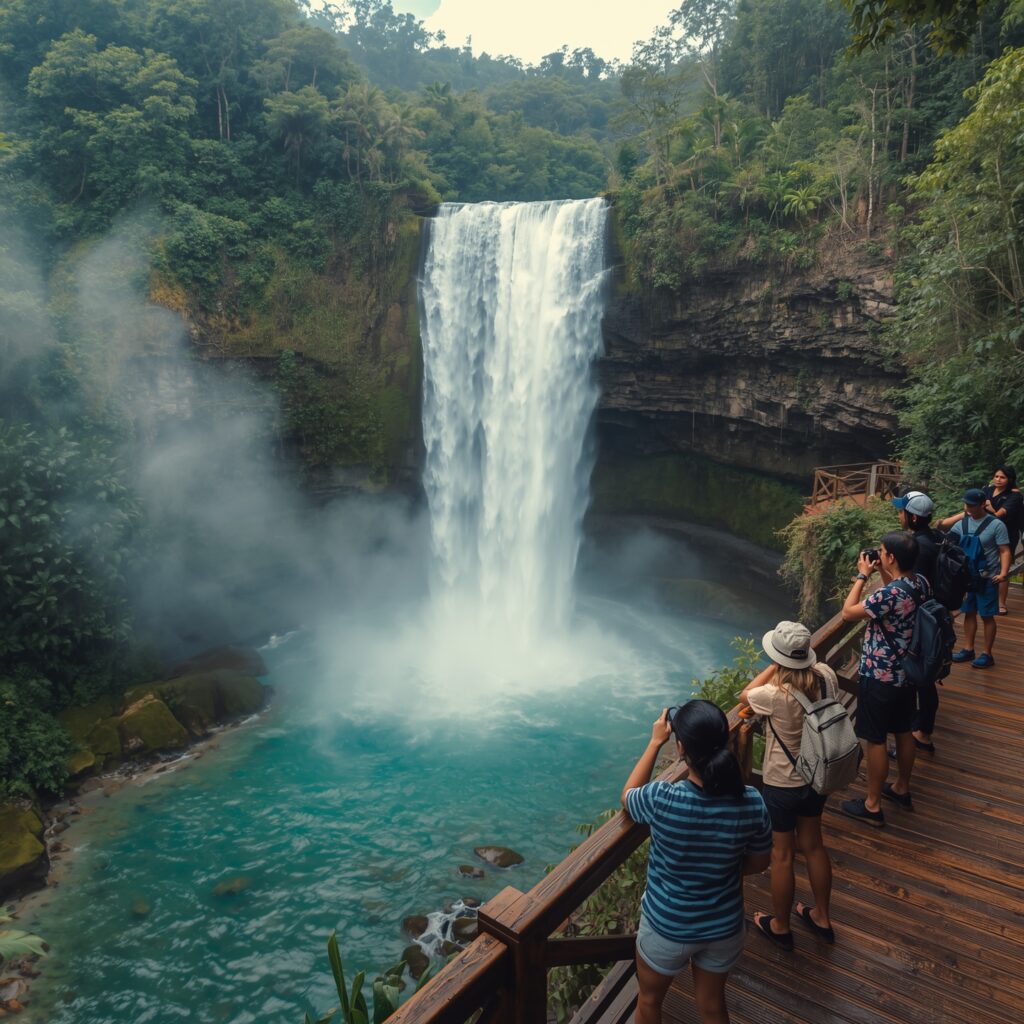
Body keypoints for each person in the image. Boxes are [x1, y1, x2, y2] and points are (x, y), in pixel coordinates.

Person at [622, 700, 772, 1024]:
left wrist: (653, 742)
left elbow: (628, 794)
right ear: (726, 743)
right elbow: (760, 862)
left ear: (680, 749)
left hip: (667, 927)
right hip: (724, 925)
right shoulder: (751, 801)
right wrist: (721, 869)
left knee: (648, 1002)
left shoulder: (663, 799)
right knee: (713, 1005)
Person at [739, 622, 836, 950]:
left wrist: (774, 666)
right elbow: (813, 668)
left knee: (781, 856)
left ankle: (780, 925)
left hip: (782, 784)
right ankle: (822, 915)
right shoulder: (826, 677)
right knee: (813, 845)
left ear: (779, 659)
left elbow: (744, 694)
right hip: (817, 778)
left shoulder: (773, 696)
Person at [839, 531, 928, 826]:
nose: (877, 554)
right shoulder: (918, 583)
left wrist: (862, 575)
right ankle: (901, 787)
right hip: (906, 673)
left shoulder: (887, 595)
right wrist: (881, 571)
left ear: (891, 557)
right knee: (903, 730)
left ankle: (873, 805)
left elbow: (848, 612)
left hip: (880, 674)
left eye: (881, 552)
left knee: (875, 739)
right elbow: (896, 600)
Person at [936, 488, 1012, 668]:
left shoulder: (996, 525)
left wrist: (1003, 573)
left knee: (986, 616)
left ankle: (987, 653)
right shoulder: (961, 524)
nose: (968, 508)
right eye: (967, 504)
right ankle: (968, 649)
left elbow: (1004, 550)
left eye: (972, 505)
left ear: (983, 504)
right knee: (969, 613)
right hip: (966, 579)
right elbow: (947, 544)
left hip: (987, 577)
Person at [890, 490, 941, 752]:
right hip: (932, 616)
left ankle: (919, 732)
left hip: (920, 623)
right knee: (925, 678)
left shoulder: (920, 549)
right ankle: (923, 730)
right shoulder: (931, 539)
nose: (899, 515)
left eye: (901, 511)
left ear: (912, 517)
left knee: (919, 678)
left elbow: (912, 587)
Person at [983, 466, 1022, 615]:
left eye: (1002, 477)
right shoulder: (987, 490)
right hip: (986, 532)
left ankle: (1001, 603)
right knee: (984, 563)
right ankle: (985, 597)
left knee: (1002, 569)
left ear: (1009, 480)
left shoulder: (1014, 496)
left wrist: (991, 508)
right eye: (996, 476)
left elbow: (999, 515)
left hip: (1006, 534)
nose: (998, 479)